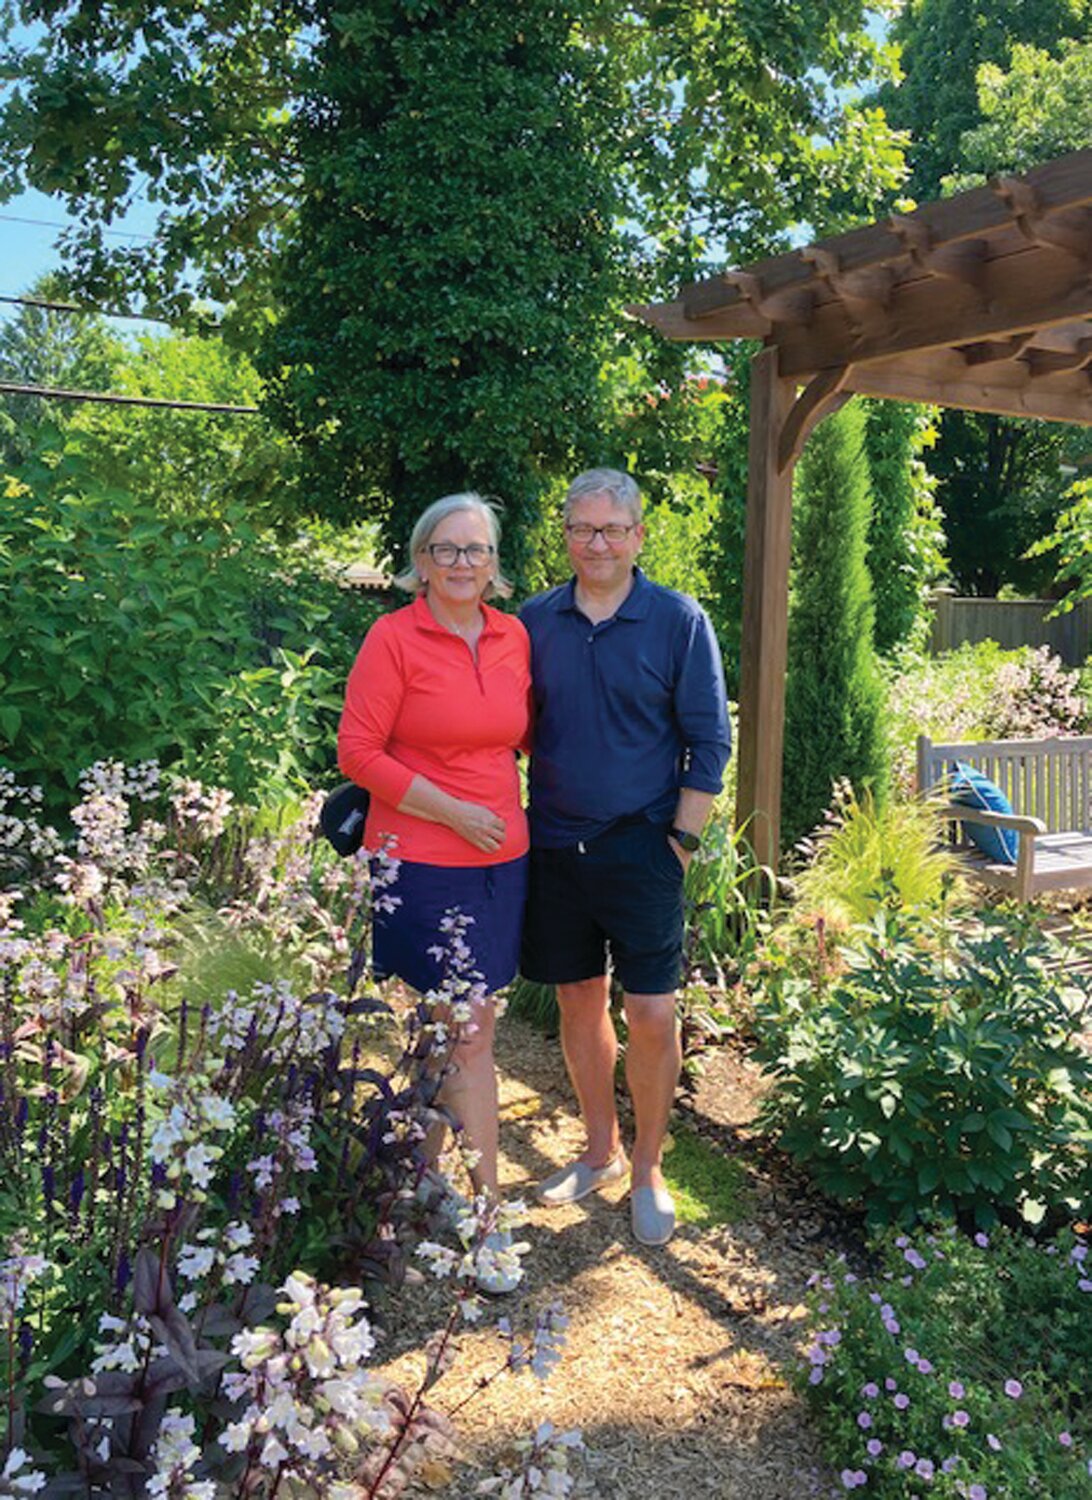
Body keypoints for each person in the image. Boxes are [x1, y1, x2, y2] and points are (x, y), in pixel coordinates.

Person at [520, 468, 730, 1247]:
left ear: (639, 535)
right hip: (555, 846)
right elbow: (508, 722)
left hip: (645, 847)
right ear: (566, 535)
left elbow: (710, 742)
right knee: (579, 999)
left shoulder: (677, 620)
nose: (597, 542)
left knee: (651, 1011)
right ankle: (600, 1150)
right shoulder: (533, 620)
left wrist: (680, 842)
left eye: (612, 529)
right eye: (582, 528)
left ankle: (648, 1169)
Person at [337, 493, 530, 1237]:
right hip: (420, 860)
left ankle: (417, 1175)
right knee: (470, 1031)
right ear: (421, 561)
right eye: (445, 549)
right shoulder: (393, 639)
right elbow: (358, 751)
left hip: (502, 864)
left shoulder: (514, 638)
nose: (461, 563)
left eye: (475, 550)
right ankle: (487, 1214)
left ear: (494, 565)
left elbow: (529, 735)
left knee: (455, 1030)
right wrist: (452, 811)